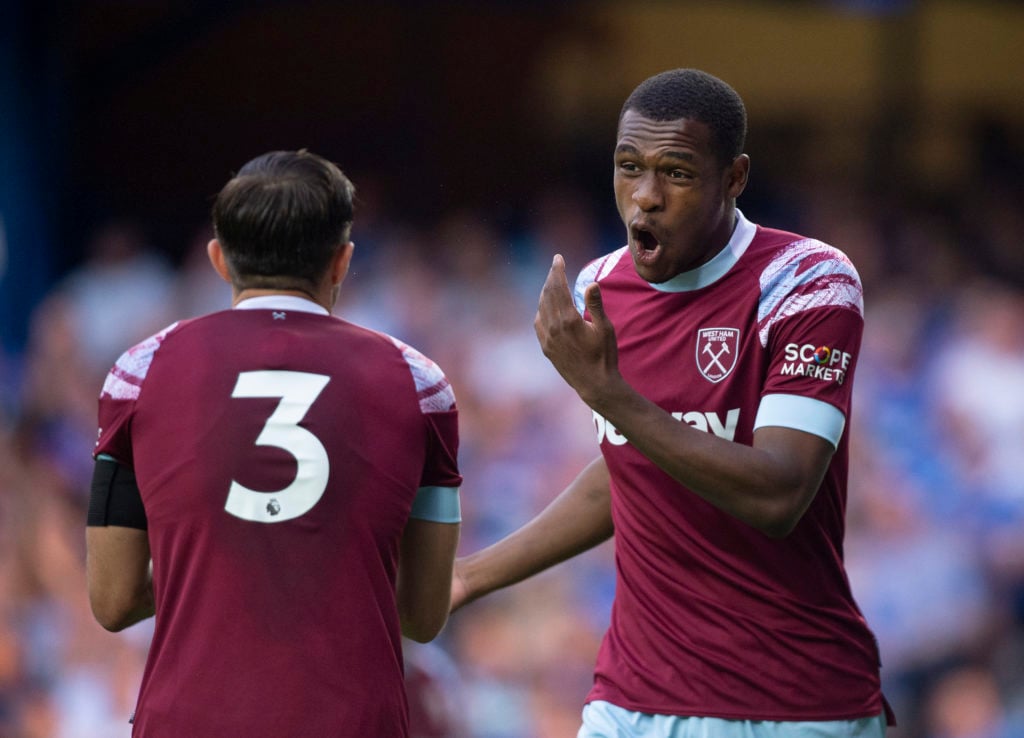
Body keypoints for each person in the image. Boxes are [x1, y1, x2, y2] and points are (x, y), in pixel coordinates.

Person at [451, 69, 892, 737]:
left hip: (792, 704)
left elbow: (778, 494)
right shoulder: (602, 287)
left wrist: (606, 393)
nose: (645, 197)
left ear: (734, 178)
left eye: (677, 173)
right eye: (629, 167)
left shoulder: (806, 279)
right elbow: (631, 466)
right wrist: (468, 578)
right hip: (629, 699)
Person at [85, 150, 462, 737]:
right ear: (341, 263)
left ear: (218, 260)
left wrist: (213, 559)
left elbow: (112, 600)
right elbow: (422, 614)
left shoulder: (137, 374)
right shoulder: (422, 386)